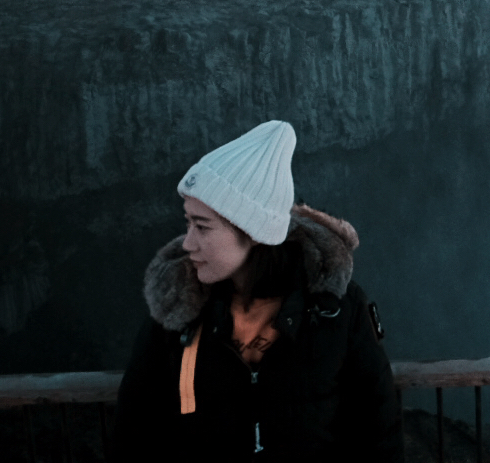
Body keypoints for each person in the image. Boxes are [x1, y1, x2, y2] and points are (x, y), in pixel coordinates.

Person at [111, 120, 403, 461]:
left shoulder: (336, 312)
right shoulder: (178, 311)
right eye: (187, 222)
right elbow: (134, 435)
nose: (187, 243)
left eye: (202, 226)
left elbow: (377, 436)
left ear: (252, 232)